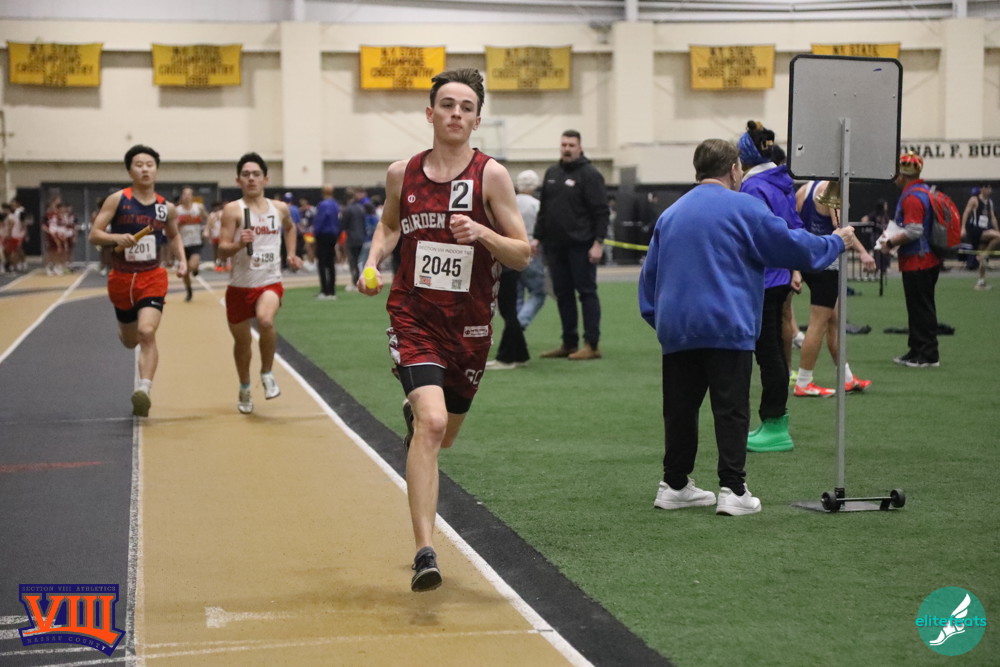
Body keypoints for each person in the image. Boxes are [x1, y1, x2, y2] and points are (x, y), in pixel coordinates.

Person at [358, 68, 529, 591]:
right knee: (431, 425)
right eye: (448, 105)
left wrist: (481, 232)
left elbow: (521, 253)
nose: (456, 113)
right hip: (413, 317)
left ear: (477, 120)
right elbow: (390, 225)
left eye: (466, 107)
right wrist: (373, 260)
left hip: (470, 329)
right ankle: (425, 552)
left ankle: (419, 414)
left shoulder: (491, 176)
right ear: (430, 113)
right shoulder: (402, 173)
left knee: (444, 434)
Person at [639, 138, 855, 516]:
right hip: (727, 324)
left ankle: (674, 484)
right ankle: (733, 489)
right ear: (734, 169)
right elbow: (792, 247)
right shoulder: (745, 208)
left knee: (680, 409)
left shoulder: (670, 215)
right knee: (731, 409)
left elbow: (649, 279)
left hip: (678, 327)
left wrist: (664, 322)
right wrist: (834, 243)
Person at [88, 144, 187, 417]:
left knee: (147, 332)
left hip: (152, 276)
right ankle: (125, 332)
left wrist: (181, 260)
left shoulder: (165, 208)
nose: (145, 169)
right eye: (139, 165)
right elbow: (94, 234)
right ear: (130, 170)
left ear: (156, 170)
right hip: (121, 279)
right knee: (130, 340)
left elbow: (174, 235)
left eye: (150, 165)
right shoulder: (118, 200)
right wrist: (115, 238)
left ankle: (144, 389)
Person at [216, 152, 302, 414]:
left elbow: (290, 228)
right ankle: (244, 387)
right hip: (240, 286)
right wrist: (238, 244)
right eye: (246, 175)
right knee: (242, 344)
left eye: (256, 174)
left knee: (265, 321)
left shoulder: (280, 209)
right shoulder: (233, 210)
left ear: (266, 179)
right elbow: (221, 250)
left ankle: (267, 372)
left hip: (269, 282)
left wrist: (291, 254)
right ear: (238, 180)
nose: (251, 179)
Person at [737, 121, 802, 453]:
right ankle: (774, 421)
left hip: (762, 277)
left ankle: (775, 422)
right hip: (780, 274)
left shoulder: (753, 187)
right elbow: (793, 226)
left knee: (768, 354)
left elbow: (751, 233)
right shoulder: (782, 182)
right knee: (774, 350)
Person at [792, 180, 876, 398]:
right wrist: (863, 252)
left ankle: (846, 378)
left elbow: (795, 224)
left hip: (808, 258)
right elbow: (841, 228)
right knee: (818, 323)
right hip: (826, 264)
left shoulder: (804, 189)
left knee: (834, 321)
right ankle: (803, 381)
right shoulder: (831, 190)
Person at [534, 129, 609, 360]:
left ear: (580, 148)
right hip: (555, 247)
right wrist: (537, 237)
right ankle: (569, 343)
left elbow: (601, 212)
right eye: (564, 145)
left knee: (586, 293)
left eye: (571, 145)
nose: (567, 149)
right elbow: (544, 210)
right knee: (563, 295)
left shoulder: (590, 174)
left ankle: (592, 345)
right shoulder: (552, 173)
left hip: (582, 246)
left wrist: (598, 243)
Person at [880, 151, 941, 368]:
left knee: (921, 308)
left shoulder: (912, 197)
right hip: (923, 259)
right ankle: (916, 350)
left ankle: (928, 354)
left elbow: (914, 231)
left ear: (902, 176)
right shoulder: (922, 192)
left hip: (919, 260)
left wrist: (890, 243)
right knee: (918, 308)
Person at [514, 169, 546, 329]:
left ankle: (515, 326)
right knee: (539, 292)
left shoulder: (510, 202)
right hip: (532, 249)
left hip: (511, 249)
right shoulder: (537, 205)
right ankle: (521, 322)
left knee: (517, 293)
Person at [962, 183, 999, 290]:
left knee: (982, 258)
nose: (990, 190)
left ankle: (981, 282)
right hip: (976, 230)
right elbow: (966, 213)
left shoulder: (989, 202)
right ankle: (985, 255)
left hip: (985, 230)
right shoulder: (974, 200)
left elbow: (993, 218)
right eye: (987, 188)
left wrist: (996, 230)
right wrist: (963, 228)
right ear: (982, 189)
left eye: (990, 188)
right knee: (998, 237)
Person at [175, 186, 208, 301]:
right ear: (182, 196)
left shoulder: (198, 207)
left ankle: (195, 268)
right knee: (185, 271)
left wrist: (206, 230)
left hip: (195, 241)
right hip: (182, 243)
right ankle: (189, 291)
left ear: (192, 196)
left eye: (189, 194)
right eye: (184, 194)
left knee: (191, 266)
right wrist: (177, 225)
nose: (187, 197)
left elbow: (209, 218)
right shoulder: (177, 210)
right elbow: (172, 226)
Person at [313, 184, 340, 300]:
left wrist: (315, 232)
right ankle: (332, 290)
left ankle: (324, 290)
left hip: (323, 235)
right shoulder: (335, 204)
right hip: (333, 234)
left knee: (322, 263)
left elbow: (320, 220)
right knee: (331, 263)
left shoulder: (323, 205)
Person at [341, 187, 367, 289]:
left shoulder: (347, 209)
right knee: (360, 260)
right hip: (361, 237)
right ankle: (361, 280)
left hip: (352, 238)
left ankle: (355, 282)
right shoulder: (361, 208)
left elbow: (343, 225)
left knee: (353, 261)